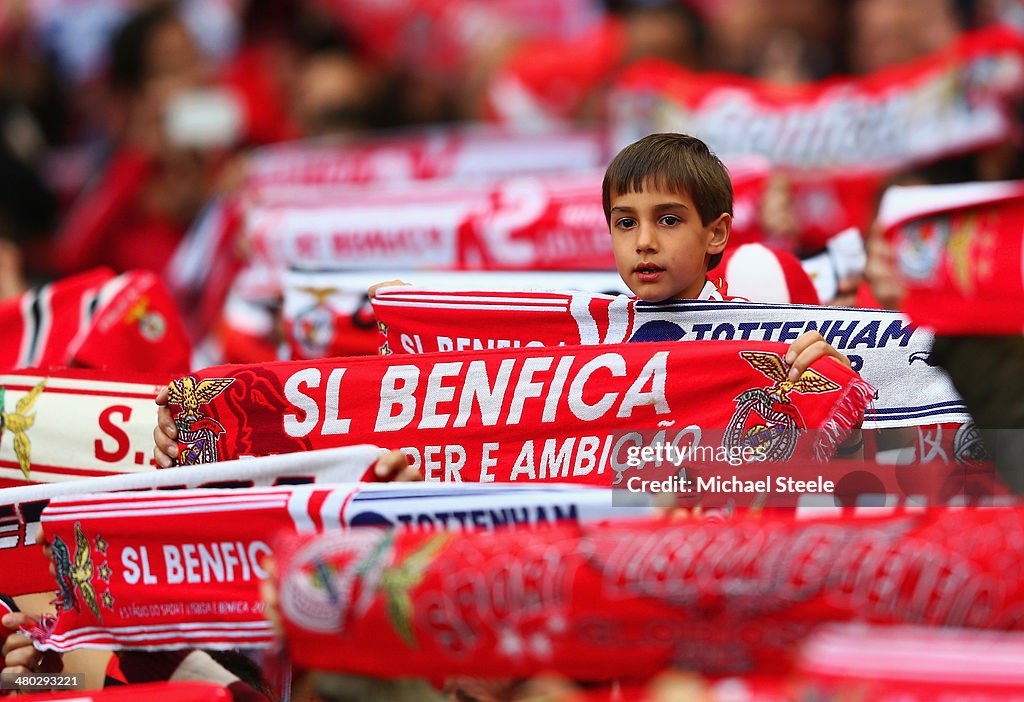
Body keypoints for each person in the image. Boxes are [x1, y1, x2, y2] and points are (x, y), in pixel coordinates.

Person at [603, 132, 863, 455]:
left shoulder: (773, 343)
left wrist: (846, 429)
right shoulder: (591, 342)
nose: (643, 241)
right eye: (626, 223)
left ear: (717, 233)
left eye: (668, 220)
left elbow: (851, 480)